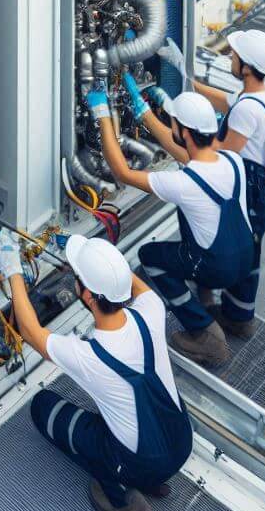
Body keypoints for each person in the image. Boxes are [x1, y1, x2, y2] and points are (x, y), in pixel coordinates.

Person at [0, 234, 193, 511]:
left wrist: (11, 269)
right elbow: (126, 282)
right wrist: (98, 260)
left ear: (87, 295)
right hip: (182, 442)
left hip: (140, 463)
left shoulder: (88, 355)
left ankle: (123, 502)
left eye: (78, 277)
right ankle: (154, 478)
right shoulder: (151, 309)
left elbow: (30, 330)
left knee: (42, 407)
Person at [89, 82, 254, 367]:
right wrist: (144, 113)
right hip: (247, 259)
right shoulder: (231, 160)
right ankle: (241, 319)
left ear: (186, 132)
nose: (172, 125)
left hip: (217, 267)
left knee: (151, 257)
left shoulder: (183, 183)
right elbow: (185, 153)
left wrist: (102, 113)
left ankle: (205, 335)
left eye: (174, 122)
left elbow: (121, 171)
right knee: (206, 246)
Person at [155, 30, 265, 339]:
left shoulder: (248, 109)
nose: (230, 58)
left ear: (248, 67)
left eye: (235, 56)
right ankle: (236, 312)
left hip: (246, 189)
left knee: (238, 247)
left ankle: (229, 319)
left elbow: (215, 155)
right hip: (256, 187)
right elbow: (223, 100)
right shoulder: (258, 96)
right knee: (247, 248)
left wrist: (161, 123)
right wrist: (185, 75)